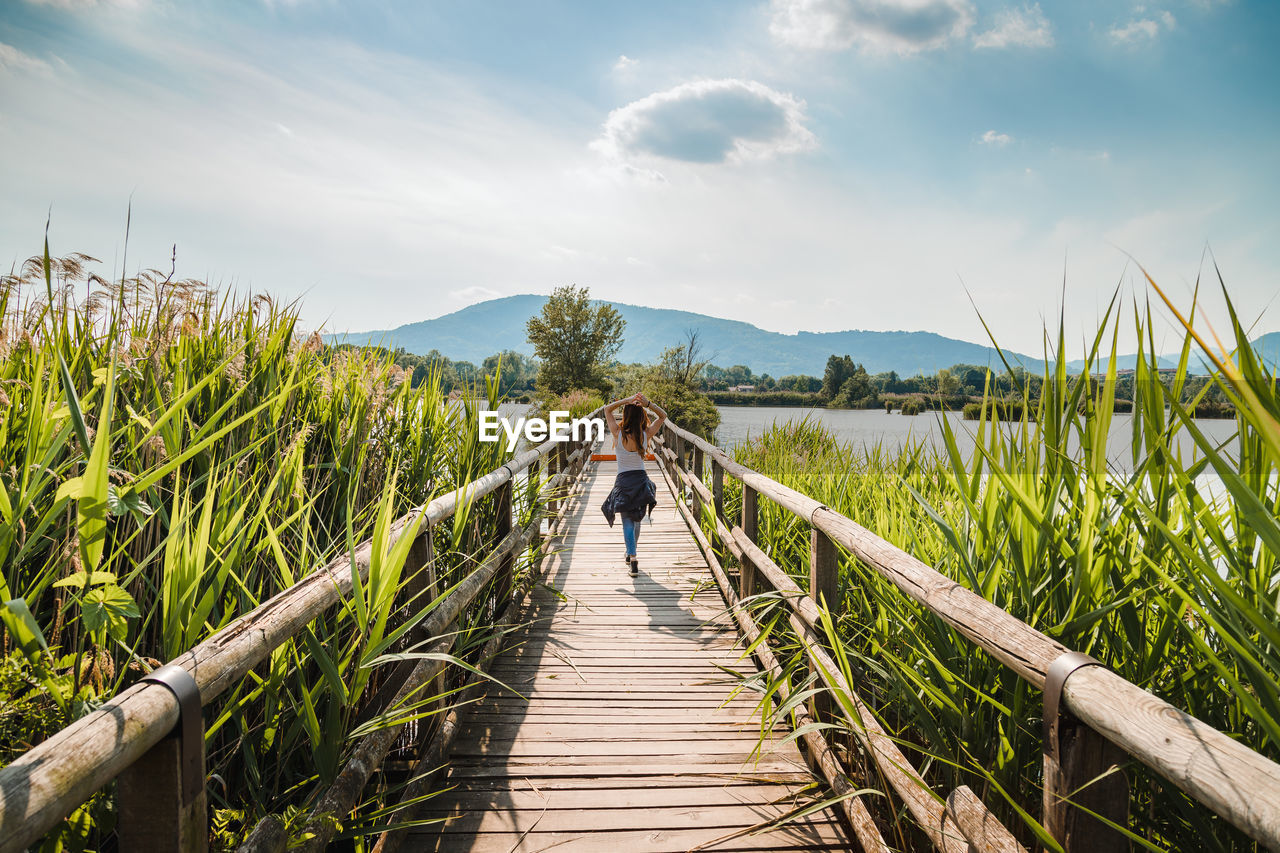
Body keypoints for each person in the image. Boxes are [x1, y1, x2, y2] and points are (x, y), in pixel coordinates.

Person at [600, 392, 667, 577]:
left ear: (626, 415)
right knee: (637, 518)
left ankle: (632, 556)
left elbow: (607, 409)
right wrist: (649, 404)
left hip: (624, 481)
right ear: (641, 416)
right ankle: (632, 554)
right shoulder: (647, 434)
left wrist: (627, 400)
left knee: (627, 520)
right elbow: (663, 416)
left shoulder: (618, 433)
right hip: (640, 480)